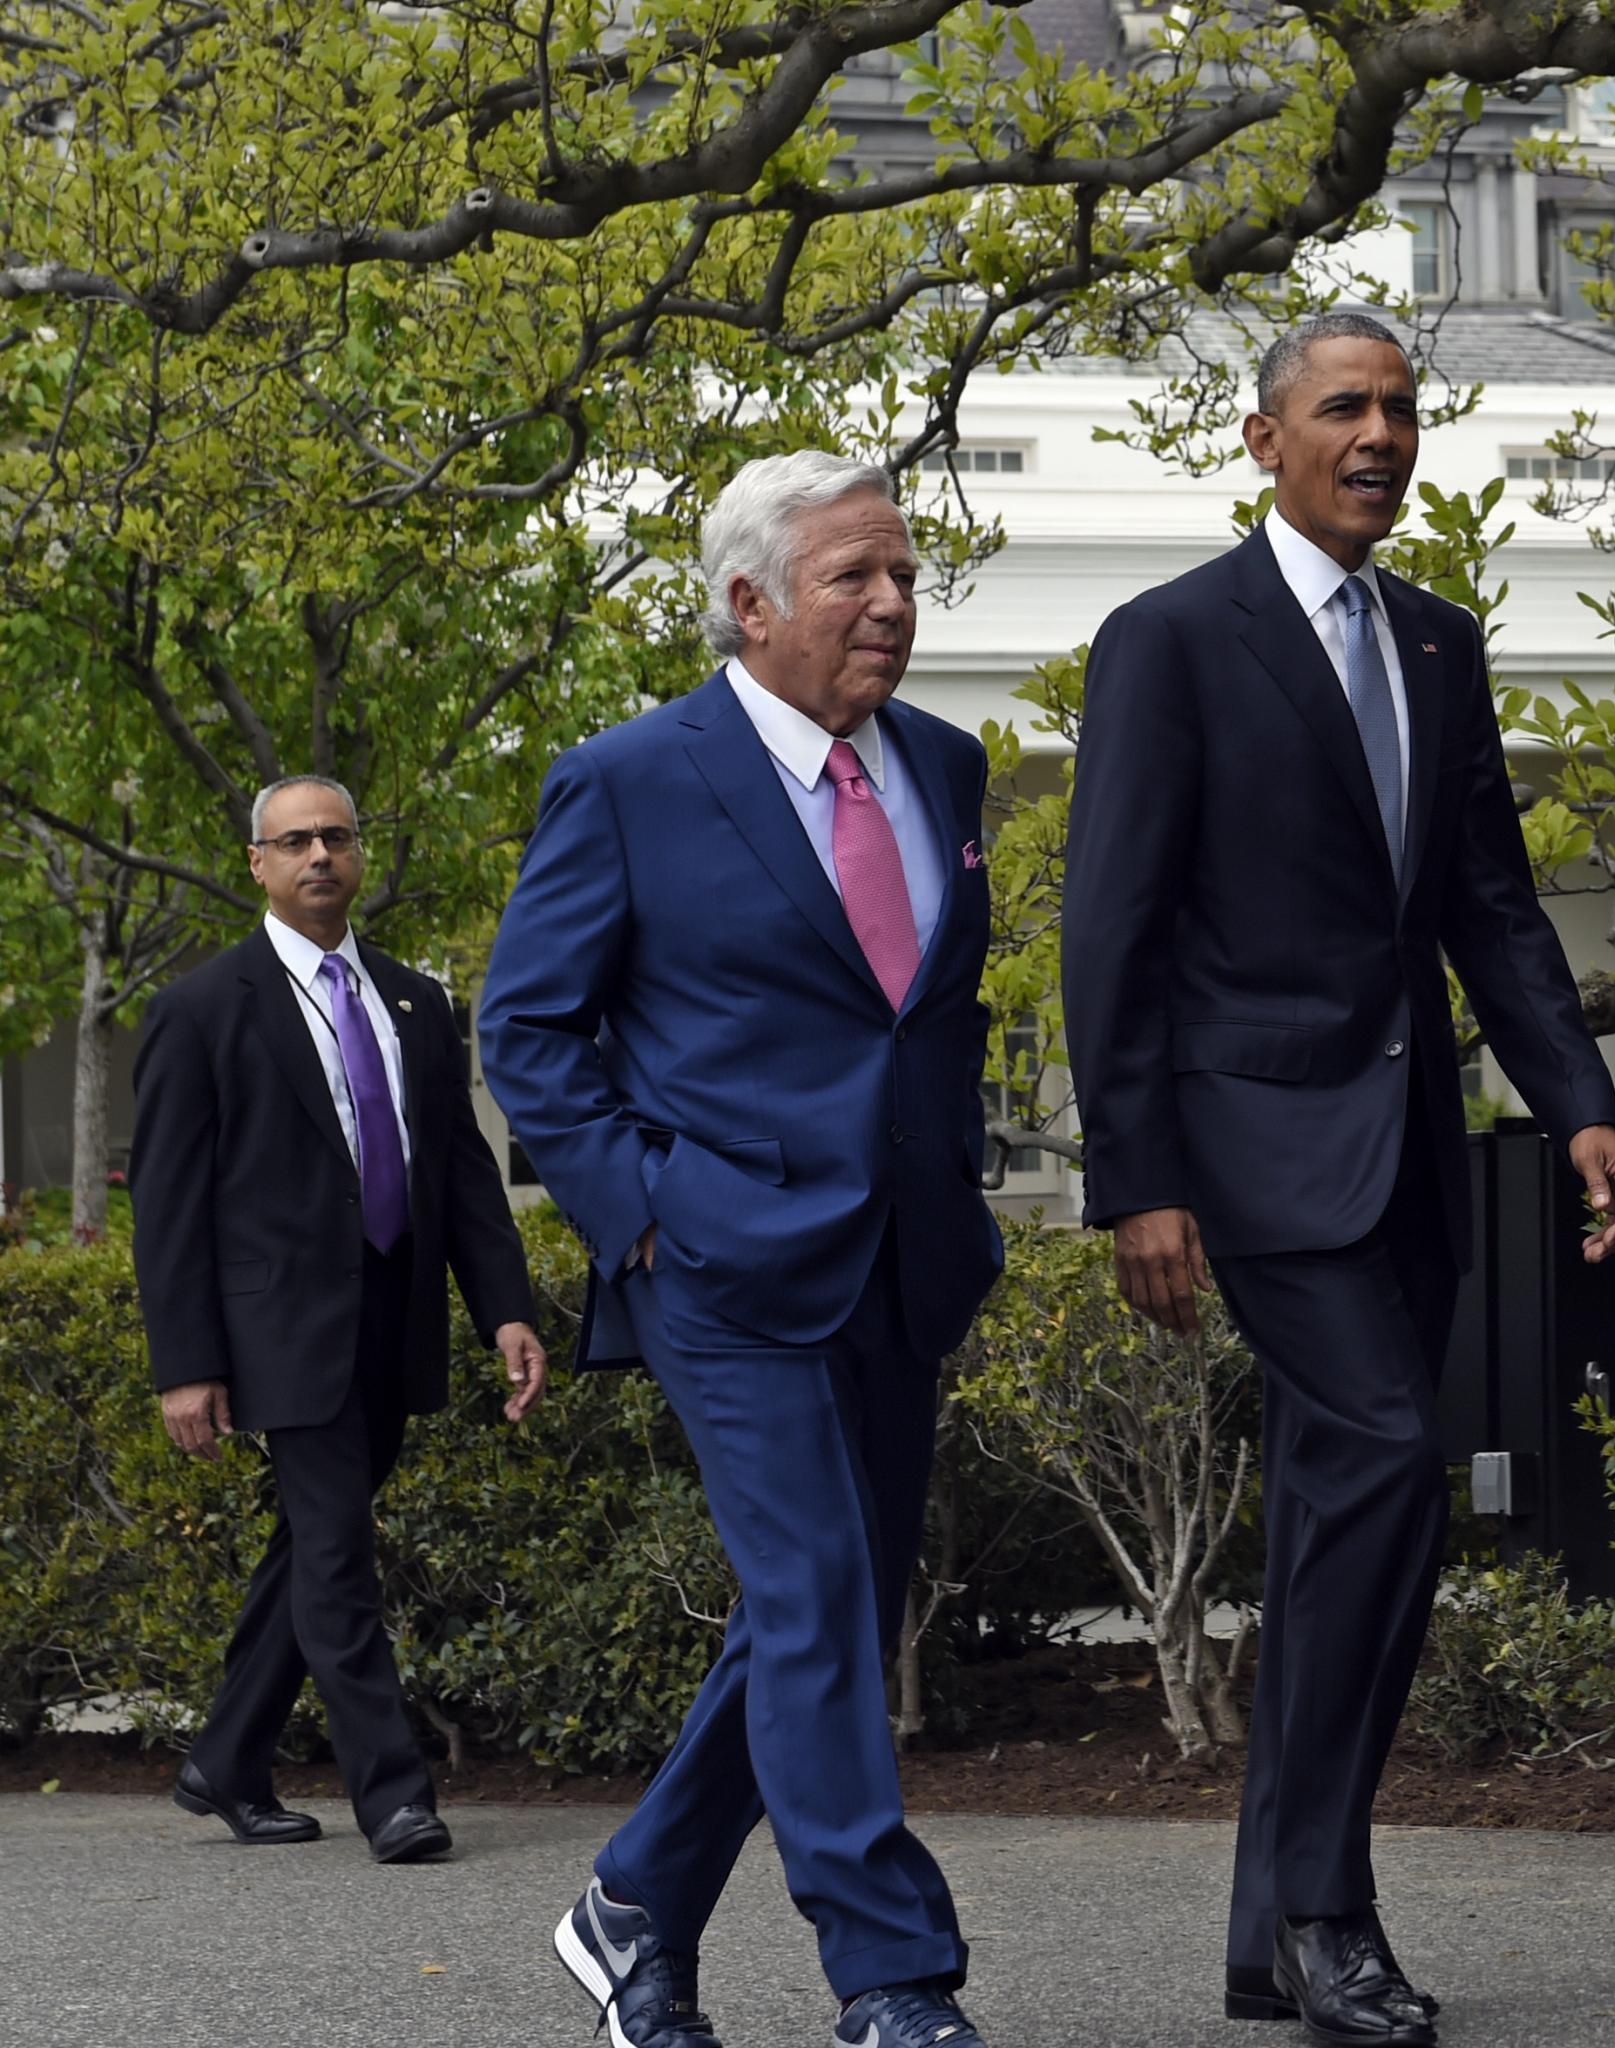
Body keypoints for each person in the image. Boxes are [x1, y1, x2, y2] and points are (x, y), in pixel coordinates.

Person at [1063, 310, 1615, 2048]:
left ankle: (1267, 1931)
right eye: (1344, 407)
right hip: (1249, 1152)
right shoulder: (1168, 642)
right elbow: (1112, 926)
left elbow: (1483, 900)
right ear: (1264, 439)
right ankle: (1328, 1909)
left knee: (1344, 1522)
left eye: (1399, 407)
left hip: (1406, 1155)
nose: (1380, 432)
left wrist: (1580, 1100)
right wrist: (1133, 1174)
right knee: (1395, 1459)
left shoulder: (1439, 641)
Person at [481, 450, 1005, 2048]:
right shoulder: (632, 777)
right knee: (818, 1590)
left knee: (814, 1611)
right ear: (749, 602)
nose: (894, 605)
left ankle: (634, 1908)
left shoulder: (948, 765)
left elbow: (927, 1017)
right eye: (855, 576)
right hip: (718, 1264)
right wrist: (643, 1215)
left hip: (904, 1262)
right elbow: (529, 1028)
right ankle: (893, 1976)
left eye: (905, 575)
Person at [132, 772, 545, 1866]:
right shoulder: (201, 1008)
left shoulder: (416, 1000)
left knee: (307, 1552)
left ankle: (223, 1759)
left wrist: (503, 1307)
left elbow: (460, 1170)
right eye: (295, 841)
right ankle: (393, 1792)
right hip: (279, 1330)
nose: (320, 855)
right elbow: (167, 1206)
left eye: (337, 837)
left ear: (361, 856)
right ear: (258, 864)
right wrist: (187, 1364)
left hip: (390, 1315)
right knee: (339, 1557)